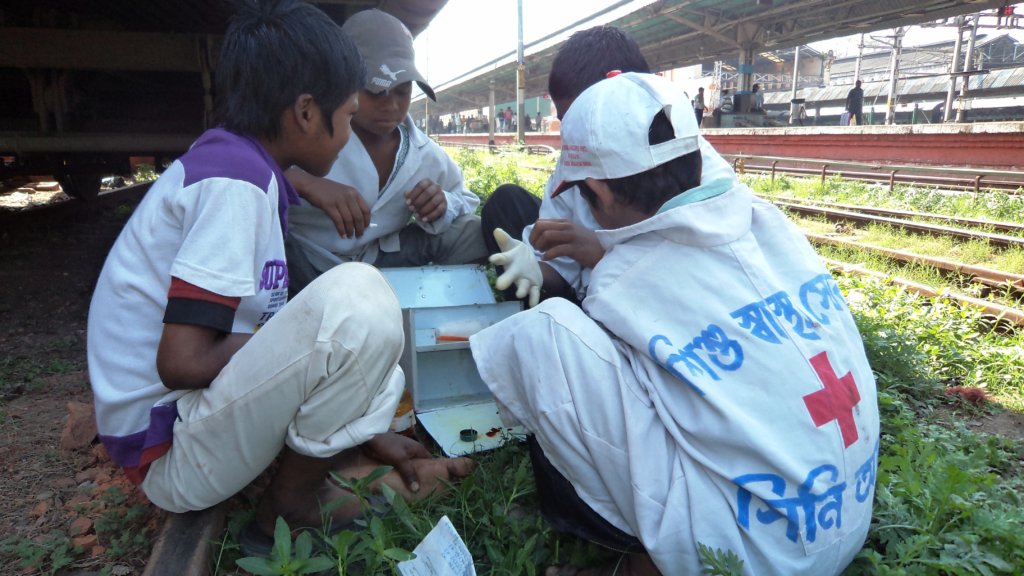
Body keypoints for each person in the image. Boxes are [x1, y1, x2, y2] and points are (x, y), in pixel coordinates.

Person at [86, 0, 472, 559]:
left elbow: (251, 354)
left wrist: (360, 428)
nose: (346, 141)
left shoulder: (242, 170)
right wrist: (307, 347)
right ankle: (289, 509)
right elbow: (183, 362)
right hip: (169, 454)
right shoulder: (237, 186)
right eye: (345, 118)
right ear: (307, 113)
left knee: (354, 341)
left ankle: (341, 460)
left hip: (182, 426)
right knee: (357, 302)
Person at [472, 72, 880, 576]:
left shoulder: (626, 277)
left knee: (543, 335)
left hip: (749, 559)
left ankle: (647, 564)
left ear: (596, 188)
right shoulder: (770, 224)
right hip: (844, 518)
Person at [480, 25, 735, 305]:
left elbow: (697, 279)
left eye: (584, 115)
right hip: (598, 292)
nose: (575, 133)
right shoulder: (574, 161)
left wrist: (599, 253)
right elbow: (558, 263)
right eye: (569, 122)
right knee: (507, 203)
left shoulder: (689, 159)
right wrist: (534, 270)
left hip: (661, 304)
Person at [284, 9, 487, 295]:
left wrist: (442, 204)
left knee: (472, 231)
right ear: (344, 82)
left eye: (402, 92)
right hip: (304, 261)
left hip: (378, 260)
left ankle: (461, 305)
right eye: (376, 91)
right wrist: (301, 182)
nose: (391, 105)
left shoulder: (425, 155)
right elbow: (246, 170)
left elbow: (463, 198)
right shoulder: (308, 130)